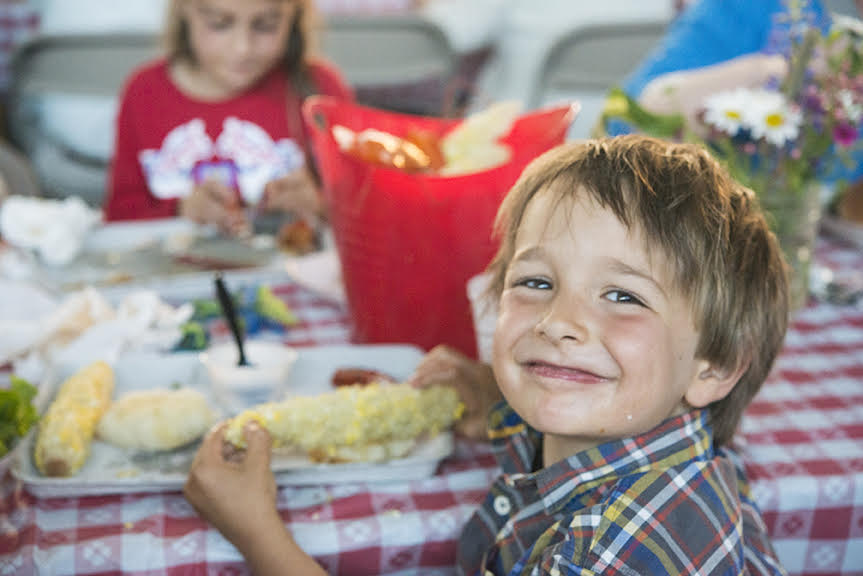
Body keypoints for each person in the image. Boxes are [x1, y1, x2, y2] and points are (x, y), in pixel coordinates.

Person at [184, 134, 790, 575]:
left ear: (714, 367)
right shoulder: (646, 430)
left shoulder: (614, 550)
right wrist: (494, 393)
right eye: (536, 282)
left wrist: (258, 533)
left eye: (622, 295)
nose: (559, 322)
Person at [103, 0, 353, 235]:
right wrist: (180, 211)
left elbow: (363, 205)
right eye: (219, 23)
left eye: (266, 25)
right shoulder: (144, 93)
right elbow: (119, 215)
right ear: (184, 9)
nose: (242, 48)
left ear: (293, 16)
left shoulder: (318, 90)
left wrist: (321, 205)